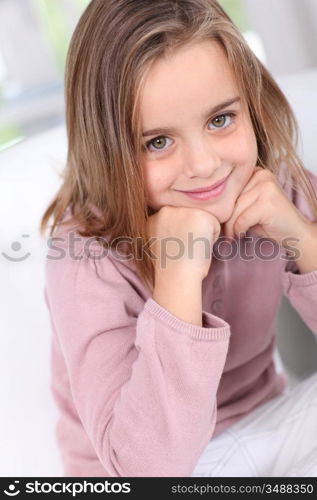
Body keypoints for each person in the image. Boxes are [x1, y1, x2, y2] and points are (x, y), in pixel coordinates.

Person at [40, 0, 317, 477]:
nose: (205, 165)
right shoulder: (86, 256)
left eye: (220, 119)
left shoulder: (276, 189)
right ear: (108, 151)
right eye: (158, 142)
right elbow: (147, 470)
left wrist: (301, 238)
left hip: (263, 433)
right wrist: (177, 275)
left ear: (251, 105)